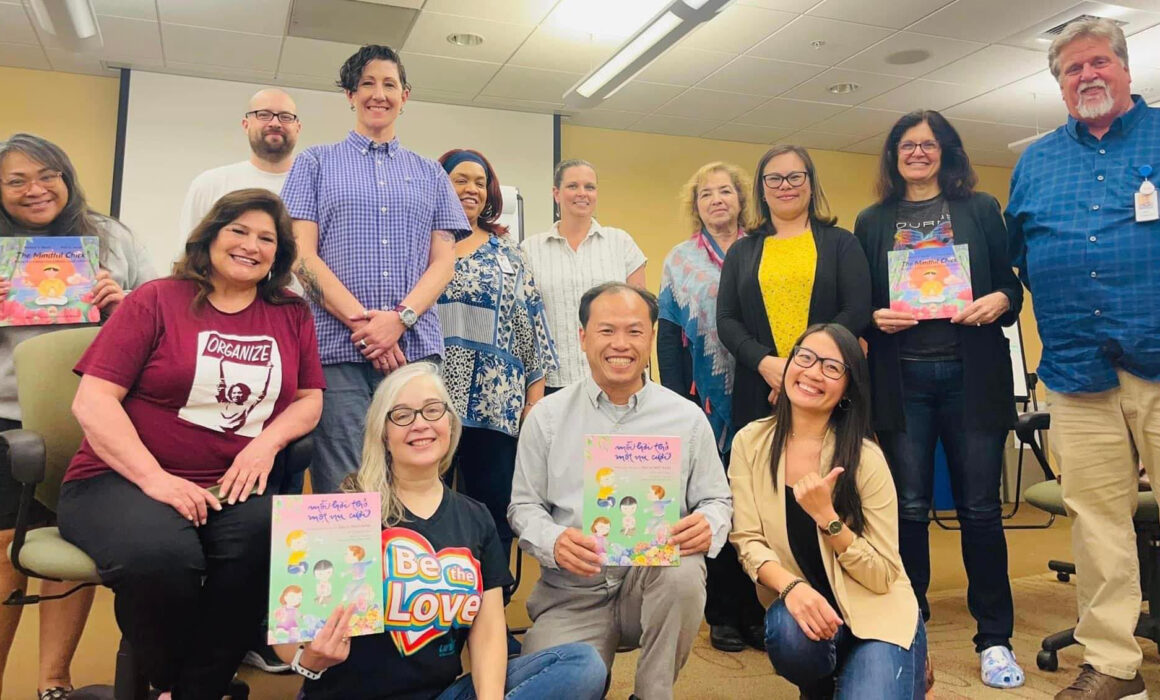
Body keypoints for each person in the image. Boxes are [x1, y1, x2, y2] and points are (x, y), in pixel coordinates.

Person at [56, 189, 325, 699]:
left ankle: (189, 692)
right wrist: (156, 479)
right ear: (210, 236)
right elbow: (92, 402)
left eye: (267, 238)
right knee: (162, 557)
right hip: (119, 481)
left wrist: (265, 443)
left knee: (272, 538)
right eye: (239, 231)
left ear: (279, 253)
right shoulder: (155, 299)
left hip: (228, 486)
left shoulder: (290, 312)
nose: (252, 245)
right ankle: (184, 686)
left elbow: (310, 399)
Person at [274, 362, 607, 700]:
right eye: (402, 415)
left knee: (583, 665)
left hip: (440, 695)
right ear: (383, 434)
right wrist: (310, 660)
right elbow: (290, 637)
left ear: (450, 422)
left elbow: (488, 632)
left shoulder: (475, 517)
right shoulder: (350, 509)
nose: (421, 424)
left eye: (433, 410)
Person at [1005, 18, 1159, 700]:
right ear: (1061, 86)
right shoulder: (1036, 161)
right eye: (1073, 69)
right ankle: (1113, 665)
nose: (1088, 75)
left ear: (1125, 70)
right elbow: (1016, 259)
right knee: (1098, 525)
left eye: (1099, 62)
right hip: (1075, 370)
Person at [854, 110, 1025, 689]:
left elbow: (1011, 284)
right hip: (902, 384)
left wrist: (999, 301)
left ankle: (995, 638)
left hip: (971, 378)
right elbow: (863, 304)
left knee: (980, 509)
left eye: (928, 145)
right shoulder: (873, 220)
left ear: (946, 152)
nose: (918, 153)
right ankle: (910, 623)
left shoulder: (980, 210)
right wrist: (876, 317)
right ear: (893, 155)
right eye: (907, 145)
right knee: (905, 509)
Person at [509, 282, 732, 700]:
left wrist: (709, 523)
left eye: (634, 331)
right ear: (582, 337)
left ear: (650, 337)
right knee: (558, 686)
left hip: (649, 582)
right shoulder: (547, 417)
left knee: (683, 570)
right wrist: (554, 541)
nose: (620, 344)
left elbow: (716, 499)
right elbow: (523, 506)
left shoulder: (685, 418)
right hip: (571, 589)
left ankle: (652, 694)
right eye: (606, 330)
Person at [0, 133, 157, 700]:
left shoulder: (109, 235)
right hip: (9, 420)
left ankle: (54, 685)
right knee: (6, 551)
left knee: (73, 543)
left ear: (66, 177)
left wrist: (124, 305)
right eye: (16, 180)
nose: (35, 189)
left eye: (48, 175)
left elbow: (159, 313)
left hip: (95, 418)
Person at [282, 44, 470, 495]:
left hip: (414, 349)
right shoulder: (314, 163)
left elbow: (444, 262)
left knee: (418, 475)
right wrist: (368, 328)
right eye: (367, 83)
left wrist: (398, 320)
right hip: (337, 352)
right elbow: (300, 255)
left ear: (405, 95)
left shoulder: (430, 174)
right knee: (346, 483)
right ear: (350, 94)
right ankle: (353, 568)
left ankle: (411, 566)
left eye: (389, 84)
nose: (378, 94)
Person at [729, 323, 927, 698]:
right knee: (788, 632)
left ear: (848, 388)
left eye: (832, 367)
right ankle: (823, 682)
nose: (813, 372)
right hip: (809, 612)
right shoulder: (750, 442)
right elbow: (748, 540)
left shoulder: (865, 456)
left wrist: (828, 519)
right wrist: (792, 587)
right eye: (804, 357)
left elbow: (883, 575)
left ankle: (907, 660)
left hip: (876, 614)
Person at [657, 161, 764, 653]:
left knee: (757, 504)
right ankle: (723, 613)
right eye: (706, 194)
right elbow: (668, 337)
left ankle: (759, 610)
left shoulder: (764, 248)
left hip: (764, 394)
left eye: (726, 191)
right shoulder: (679, 261)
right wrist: (680, 406)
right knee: (713, 505)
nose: (717, 200)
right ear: (695, 205)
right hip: (704, 403)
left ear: (741, 198)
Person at [435, 148, 557, 556]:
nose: (471, 189)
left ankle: (492, 606)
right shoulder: (421, 244)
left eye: (480, 182)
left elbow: (533, 327)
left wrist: (533, 402)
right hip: (431, 403)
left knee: (494, 508)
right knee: (426, 506)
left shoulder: (509, 252)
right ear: (440, 183)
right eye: (460, 179)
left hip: (496, 403)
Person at [716, 145, 871, 432]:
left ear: (811, 184)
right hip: (760, 386)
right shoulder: (741, 251)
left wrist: (801, 369)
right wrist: (765, 363)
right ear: (762, 190)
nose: (784, 185)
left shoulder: (842, 243)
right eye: (773, 178)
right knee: (759, 472)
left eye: (795, 177)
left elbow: (857, 309)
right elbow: (726, 319)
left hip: (827, 384)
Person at [520, 159, 646, 394]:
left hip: (614, 380)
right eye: (572, 186)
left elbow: (641, 318)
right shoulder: (529, 250)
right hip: (553, 383)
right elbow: (526, 328)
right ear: (556, 194)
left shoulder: (621, 243)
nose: (582, 193)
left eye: (589, 187)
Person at [178, 88, 302, 239]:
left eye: (286, 117)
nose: (275, 123)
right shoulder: (209, 184)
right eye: (263, 115)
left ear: (298, 128)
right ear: (246, 125)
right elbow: (188, 251)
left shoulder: (316, 188)